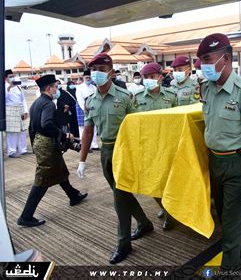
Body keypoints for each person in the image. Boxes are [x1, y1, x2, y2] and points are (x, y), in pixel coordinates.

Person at [197, 33, 241, 270]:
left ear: (225, 59)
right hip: (215, 162)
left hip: (238, 165)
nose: (203, 65)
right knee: (228, 218)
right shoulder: (206, 89)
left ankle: (227, 270)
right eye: (202, 60)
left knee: (229, 225)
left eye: (207, 58)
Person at [77, 53, 153, 264]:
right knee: (122, 193)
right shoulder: (90, 100)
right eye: (94, 70)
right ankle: (144, 223)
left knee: (119, 197)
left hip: (125, 151)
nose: (97, 74)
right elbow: (88, 132)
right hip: (105, 152)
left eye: (102, 69)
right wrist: (82, 160)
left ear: (110, 72)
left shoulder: (125, 96)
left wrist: (139, 154)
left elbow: (138, 127)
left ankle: (123, 243)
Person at [17, 75, 87, 227]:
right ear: (48, 89)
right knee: (42, 179)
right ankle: (26, 216)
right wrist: (63, 135)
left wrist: (35, 144)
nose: (57, 89)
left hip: (40, 142)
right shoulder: (48, 104)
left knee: (60, 170)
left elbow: (32, 127)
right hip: (47, 144)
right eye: (55, 87)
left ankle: (73, 195)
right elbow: (46, 123)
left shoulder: (36, 103)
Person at [134, 62, 177, 230]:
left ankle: (169, 211)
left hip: (168, 145)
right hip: (148, 146)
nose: (148, 80)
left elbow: (179, 121)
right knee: (152, 183)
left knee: (168, 182)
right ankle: (164, 208)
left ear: (160, 77)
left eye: (151, 77)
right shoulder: (136, 98)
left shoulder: (171, 96)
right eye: (145, 77)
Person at [4, 69, 29, 157]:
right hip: (10, 109)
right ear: (5, 78)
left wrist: (25, 111)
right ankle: (11, 151)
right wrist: (9, 88)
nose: (12, 78)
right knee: (12, 132)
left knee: (22, 130)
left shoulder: (18, 86)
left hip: (20, 109)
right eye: (10, 77)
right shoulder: (4, 86)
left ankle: (23, 149)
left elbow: (23, 99)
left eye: (13, 76)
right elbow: (3, 99)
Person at [75, 70, 99, 150]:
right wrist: (85, 109)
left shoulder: (94, 87)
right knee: (83, 128)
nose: (88, 79)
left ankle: (94, 144)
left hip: (93, 109)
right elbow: (80, 99)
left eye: (89, 77)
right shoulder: (79, 87)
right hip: (82, 109)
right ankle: (84, 146)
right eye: (86, 77)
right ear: (83, 78)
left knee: (94, 127)